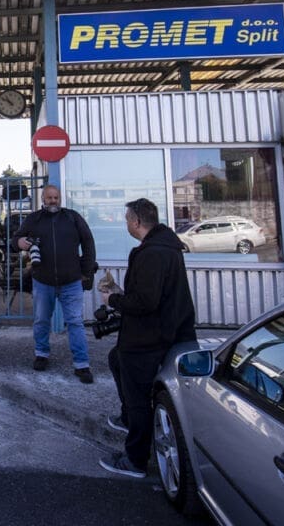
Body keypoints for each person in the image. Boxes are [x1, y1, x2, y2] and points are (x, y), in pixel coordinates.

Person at [98, 197, 196, 479]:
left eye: (127, 219)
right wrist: (121, 292)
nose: (126, 224)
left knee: (139, 396)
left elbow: (146, 303)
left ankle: (135, 460)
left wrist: (112, 299)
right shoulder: (164, 246)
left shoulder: (152, 254)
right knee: (116, 359)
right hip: (166, 330)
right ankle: (128, 417)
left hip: (148, 338)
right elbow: (152, 293)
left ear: (137, 222)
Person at [13, 184, 98, 384]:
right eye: (49, 197)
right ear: (43, 198)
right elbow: (15, 239)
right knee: (41, 320)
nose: (53, 201)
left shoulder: (73, 218)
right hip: (43, 281)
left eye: (56, 197)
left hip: (71, 281)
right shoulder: (34, 219)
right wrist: (20, 243)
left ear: (60, 198)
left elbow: (88, 243)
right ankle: (41, 354)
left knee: (75, 322)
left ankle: (82, 365)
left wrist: (85, 272)